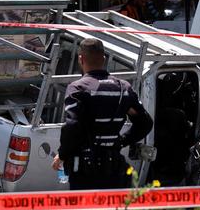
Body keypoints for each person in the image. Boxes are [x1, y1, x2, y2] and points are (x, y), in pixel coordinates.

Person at [52, 38, 153, 190]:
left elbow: (72, 126)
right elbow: (145, 123)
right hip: (114, 166)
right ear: (104, 59)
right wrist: (120, 141)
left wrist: (63, 154)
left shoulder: (78, 88)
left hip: (85, 170)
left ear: (81, 59)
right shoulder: (123, 88)